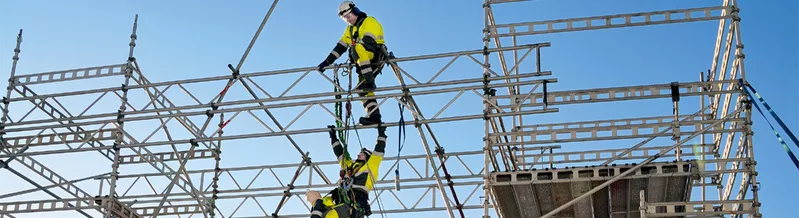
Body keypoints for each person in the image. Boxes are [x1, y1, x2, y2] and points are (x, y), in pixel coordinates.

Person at [317, 1, 387, 126]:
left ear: (355, 12)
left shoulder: (369, 21)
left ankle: (370, 81)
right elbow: (341, 46)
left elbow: (368, 40)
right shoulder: (350, 30)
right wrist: (327, 62)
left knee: (357, 48)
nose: (348, 20)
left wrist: (354, 48)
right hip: (363, 62)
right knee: (361, 89)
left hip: (374, 55)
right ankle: (374, 116)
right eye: (345, 19)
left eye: (349, 16)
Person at [306, 124, 387, 218]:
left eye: (362, 154)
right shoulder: (349, 166)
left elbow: (379, 151)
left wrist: (381, 134)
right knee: (322, 203)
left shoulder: (370, 166)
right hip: (341, 201)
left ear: (368, 157)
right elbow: (340, 153)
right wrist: (333, 138)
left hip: (354, 203)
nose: (358, 155)